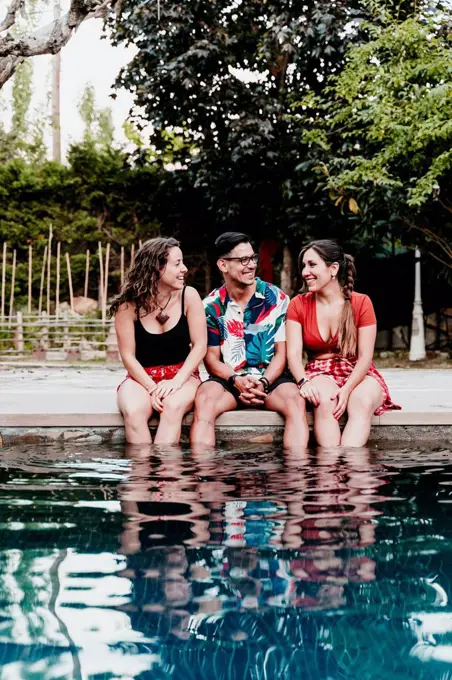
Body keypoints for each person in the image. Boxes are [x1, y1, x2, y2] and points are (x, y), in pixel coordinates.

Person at [190, 231, 308, 449]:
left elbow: (282, 354)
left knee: (295, 401)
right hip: (230, 380)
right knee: (204, 400)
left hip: (272, 381)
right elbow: (212, 359)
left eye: (252, 258)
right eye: (242, 260)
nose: (251, 265)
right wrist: (236, 380)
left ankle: (296, 476)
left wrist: (263, 382)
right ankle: (204, 477)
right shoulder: (210, 306)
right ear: (223, 265)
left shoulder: (277, 299)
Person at [286, 239, 400, 448]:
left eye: (312, 265)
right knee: (324, 401)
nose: (304, 272)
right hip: (319, 371)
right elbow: (292, 354)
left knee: (361, 401)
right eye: (303, 265)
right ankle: (330, 474)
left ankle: (352, 469)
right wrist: (304, 382)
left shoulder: (361, 302)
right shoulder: (298, 304)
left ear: (333, 269)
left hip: (357, 371)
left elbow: (365, 357)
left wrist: (347, 390)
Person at [110, 237, 207, 444]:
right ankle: (143, 474)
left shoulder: (189, 296)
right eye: (177, 263)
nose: (184, 269)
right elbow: (127, 355)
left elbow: (200, 346)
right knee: (134, 412)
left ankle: (167, 473)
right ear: (156, 268)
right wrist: (152, 388)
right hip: (141, 376)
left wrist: (176, 382)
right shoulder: (127, 305)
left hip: (183, 374)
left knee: (171, 407)